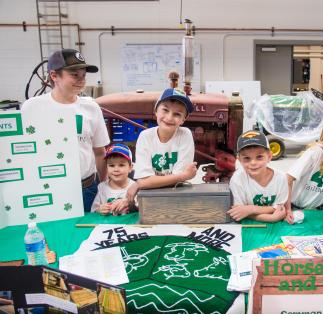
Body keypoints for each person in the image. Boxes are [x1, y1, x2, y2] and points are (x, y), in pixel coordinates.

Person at [21, 49, 110, 212]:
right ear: (54, 76)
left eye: (83, 75)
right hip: (49, 189)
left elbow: (99, 152)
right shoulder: (32, 107)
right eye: (75, 75)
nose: (81, 80)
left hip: (87, 188)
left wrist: (102, 187)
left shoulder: (91, 108)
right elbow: (24, 153)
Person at [127, 88, 197, 200]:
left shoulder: (185, 135)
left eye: (177, 114)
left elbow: (176, 183)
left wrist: (145, 182)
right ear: (156, 111)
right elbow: (144, 182)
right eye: (165, 110)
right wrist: (183, 175)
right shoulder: (145, 136)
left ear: (183, 119)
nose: (169, 117)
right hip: (151, 198)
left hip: (176, 196)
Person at [228, 130, 288, 222]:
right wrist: (271, 218)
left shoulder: (281, 178)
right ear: (239, 160)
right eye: (246, 158)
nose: (253, 163)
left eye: (259, 157)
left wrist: (250, 209)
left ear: (269, 156)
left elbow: (279, 208)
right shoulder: (237, 180)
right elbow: (238, 211)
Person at [91, 143, 137, 215]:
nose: (116, 169)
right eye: (111, 165)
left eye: (121, 165)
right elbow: (93, 210)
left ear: (130, 167)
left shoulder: (134, 187)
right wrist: (99, 209)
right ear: (106, 167)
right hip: (107, 225)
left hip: (129, 225)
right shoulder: (102, 187)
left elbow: (141, 208)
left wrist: (131, 204)